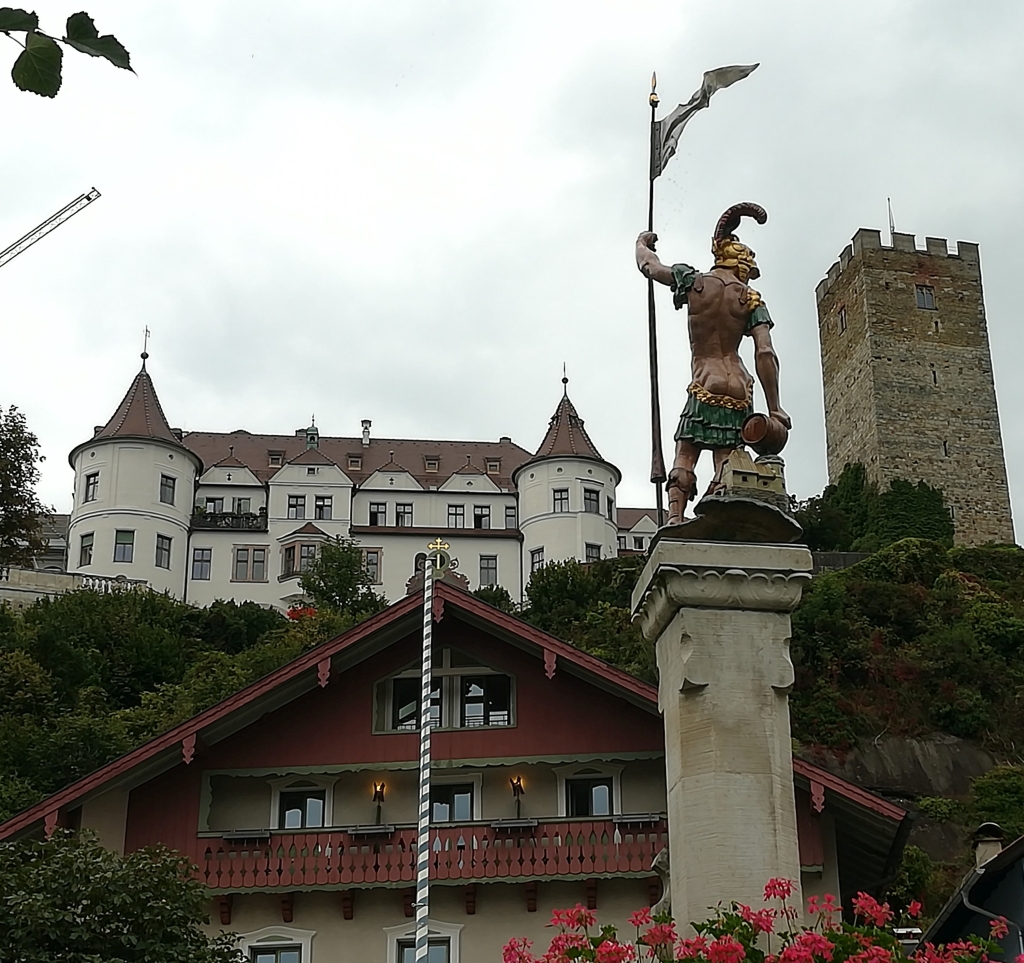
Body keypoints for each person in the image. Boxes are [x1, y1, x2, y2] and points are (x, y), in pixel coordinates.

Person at [635, 202, 790, 525]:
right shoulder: (751, 299)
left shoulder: (694, 281)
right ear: (740, 262)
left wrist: (642, 243)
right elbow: (765, 352)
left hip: (706, 382)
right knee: (727, 458)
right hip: (740, 388)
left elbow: (650, 267)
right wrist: (775, 408)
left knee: (685, 453)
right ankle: (720, 512)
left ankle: (675, 517)